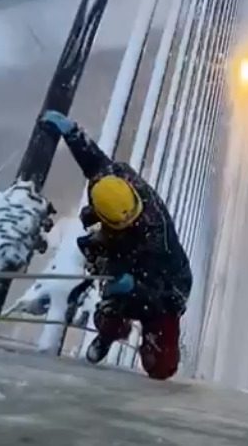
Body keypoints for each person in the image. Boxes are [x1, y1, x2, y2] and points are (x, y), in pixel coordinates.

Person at [39, 109, 193, 380]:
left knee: (161, 367)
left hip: (166, 287)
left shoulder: (157, 237)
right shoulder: (112, 179)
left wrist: (136, 287)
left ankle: (150, 342)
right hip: (124, 256)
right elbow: (92, 159)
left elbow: (162, 295)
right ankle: (109, 332)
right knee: (111, 309)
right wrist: (70, 131)